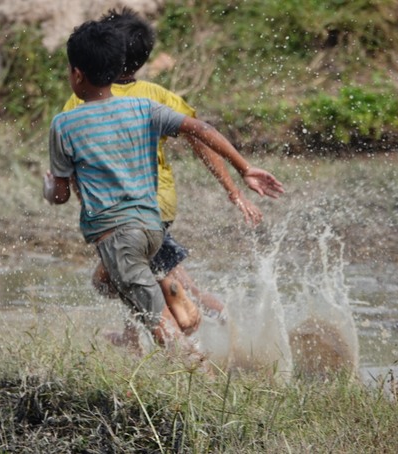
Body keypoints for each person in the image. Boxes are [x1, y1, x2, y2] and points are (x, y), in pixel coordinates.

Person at [43, 19, 284, 355]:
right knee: (137, 279)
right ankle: (178, 318)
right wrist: (242, 171)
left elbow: (61, 190)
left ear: (77, 75)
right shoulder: (149, 103)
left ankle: (196, 367)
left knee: (157, 315)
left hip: (117, 228)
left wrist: (50, 188)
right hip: (154, 217)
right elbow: (200, 132)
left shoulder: (67, 119)